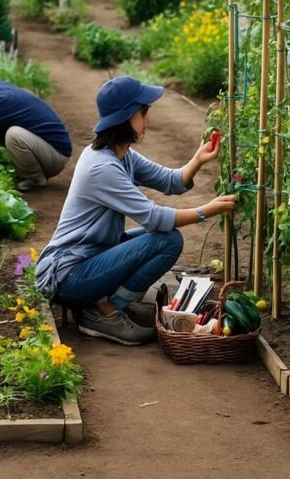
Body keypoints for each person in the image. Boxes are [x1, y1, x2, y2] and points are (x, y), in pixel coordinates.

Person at [34, 76, 236, 346]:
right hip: (69, 275)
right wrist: (206, 211)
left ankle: (107, 304)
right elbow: (154, 218)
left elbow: (169, 181)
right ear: (127, 116)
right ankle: (104, 312)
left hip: (91, 256)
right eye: (144, 112)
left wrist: (198, 159)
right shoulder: (101, 166)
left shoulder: (120, 154)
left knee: (167, 239)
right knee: (165, 239)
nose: (148, 120)